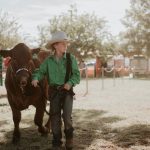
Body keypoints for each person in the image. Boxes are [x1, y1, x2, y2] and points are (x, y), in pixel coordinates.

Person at [32, 31, 80, 150]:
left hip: (67, 92)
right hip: (53, 92)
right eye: (63, 43)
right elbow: (40, 72)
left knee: (67, 117)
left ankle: (69, 139)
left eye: (66, 43)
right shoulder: (48, 61)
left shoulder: (71, 58)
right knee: (55, 117)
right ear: (55, 45)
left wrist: (70, 83)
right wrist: (35, 78)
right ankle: (56, 143)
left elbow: (77, 75)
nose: (66, 45)